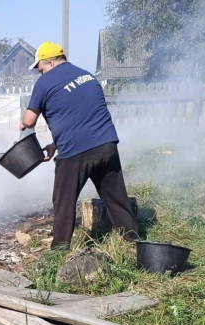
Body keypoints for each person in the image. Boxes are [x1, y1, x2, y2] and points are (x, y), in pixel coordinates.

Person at [20, 41, 139, 249]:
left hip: (76, 153)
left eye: (40, 68)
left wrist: (21, 125)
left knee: (63, 202)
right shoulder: (87, 76)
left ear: (49, 62)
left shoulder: (44, 83)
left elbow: (29, 121)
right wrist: (55, 144)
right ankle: (133, 242)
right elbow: (80, 115)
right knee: (117, 197)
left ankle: (59, 249)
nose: (40, 73)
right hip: (107, 145)